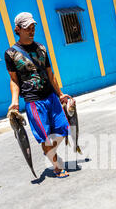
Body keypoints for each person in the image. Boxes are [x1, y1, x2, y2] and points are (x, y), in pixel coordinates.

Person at [5, 12, 71, 178]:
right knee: (46, 138)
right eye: (27, 28)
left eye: (33, 27)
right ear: (18, 29)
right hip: (34, 102)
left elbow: (50, 73)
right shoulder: (11, 54)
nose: (31, 30)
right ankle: (56, 166)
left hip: (51, 97)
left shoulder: (41, 49)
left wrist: (60, 94)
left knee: (63, 130)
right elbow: (14, 80)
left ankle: (49, 152)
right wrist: (14, 103)